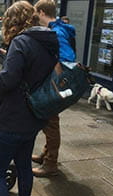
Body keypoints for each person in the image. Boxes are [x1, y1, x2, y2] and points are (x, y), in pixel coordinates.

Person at [0, 1, 59, 196]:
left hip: (12, 118)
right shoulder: (48, 42)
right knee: (23, 166)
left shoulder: (21, 42)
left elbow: (8, 80)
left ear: (13, 21)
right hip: (34, 118)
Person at [32, 0, 76, 177]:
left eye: (36, 13)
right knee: (49, 121)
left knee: (51, 123)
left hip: (54, 84)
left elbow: (67, 57)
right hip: (53, 83)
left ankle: (51, 163)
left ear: (42, 13)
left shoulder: (56, 32)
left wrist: (54, 71)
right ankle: (46, 154)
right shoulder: (57, 28)